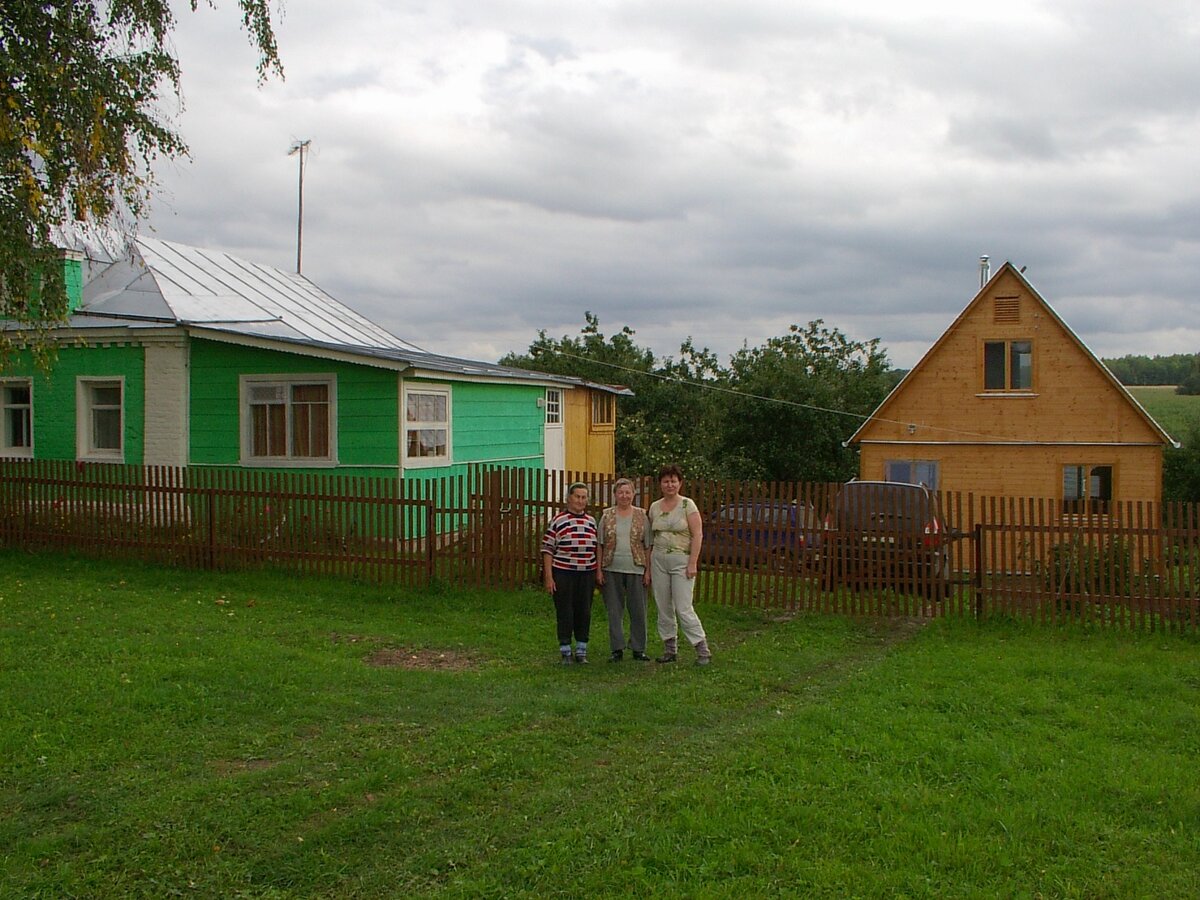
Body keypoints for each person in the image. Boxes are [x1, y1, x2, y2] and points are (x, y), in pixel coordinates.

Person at [647, 464, 712, 666]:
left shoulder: (687, 505)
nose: (670, 485)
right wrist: (649, 567)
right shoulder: (655, 507)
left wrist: (692, 562)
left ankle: (702, 649)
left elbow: (698, 534)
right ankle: (670, 648)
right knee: (663, 605)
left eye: (673, 481)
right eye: (666, 481)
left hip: (682, 561)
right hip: (658, 560)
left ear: (680, 483)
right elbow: (651, 537)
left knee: (683, 607)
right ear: (660, 484)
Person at [541, 481, 600, 665]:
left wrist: (597, 572)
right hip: (564, 573)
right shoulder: (558, 521)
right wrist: (549, 577)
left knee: (584, 611)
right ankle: (565, 650)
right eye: (577, 497)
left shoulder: (591, 522)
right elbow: (548, 549)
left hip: (586, 574)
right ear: (569, 498)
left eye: (584, 497)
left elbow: (597, 548)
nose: (580, 501)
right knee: (565, 611)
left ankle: (581, 649)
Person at [596, 478, 652, 663]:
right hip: (611, 567)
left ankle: (638, 648)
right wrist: (599, 570)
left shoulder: (642, 516)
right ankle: (617, 649)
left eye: (628, 492)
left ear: (633, 495)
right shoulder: (607, 516)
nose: (624, 496)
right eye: (621, 492)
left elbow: (647, 546)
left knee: (638, 610)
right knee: (614, 610)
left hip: (636, 567)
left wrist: (648, 571)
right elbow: (600, 544)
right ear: (615, 495)